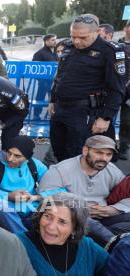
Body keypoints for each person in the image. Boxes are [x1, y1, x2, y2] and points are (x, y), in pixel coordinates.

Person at [48, 14, 125, 162]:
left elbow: (117, 89)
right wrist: (53, 99)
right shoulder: (68, 47)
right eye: (73, 36)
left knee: (79, 156)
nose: (77, 41)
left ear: (96, 32)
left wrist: (105, 117)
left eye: (83, 37)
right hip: (61, 109)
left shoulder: (110, 51)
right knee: (59, 151)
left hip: (85, 113)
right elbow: (60, 76)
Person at [39, 135, 130, 246]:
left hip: (103, 216)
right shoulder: (60, 170)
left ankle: (107, 239)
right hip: (71, 217)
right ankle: (116, 245)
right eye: (99, 153)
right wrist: (79, 208)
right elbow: (44, 199)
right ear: (86, 150)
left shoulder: (112, 170)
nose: (104, 158)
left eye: (108, 154)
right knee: (89, 223)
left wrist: (115, 209)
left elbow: (125, 193)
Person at [0, 136, 59, 233]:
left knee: (58, 206)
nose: (10, 159)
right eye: (9, 153)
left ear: (27, 157)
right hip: (5, 210)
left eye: (17, 156)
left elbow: (60, 189)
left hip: (32, 209)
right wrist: (7, 196)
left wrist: (36, 197)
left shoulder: (36, 165)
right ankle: (24, 240)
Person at [17, 193, 109, 275]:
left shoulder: (88, 247)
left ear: (74, 228)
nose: (51, 226)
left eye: (62, 222)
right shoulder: (18, 244)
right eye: (48, 216)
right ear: (40, 216)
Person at [117, 21, 130, 160]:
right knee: (104, 118)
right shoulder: (116, 46)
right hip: (113, 90)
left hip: (129, 94)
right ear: (125, 28)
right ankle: (103, 146)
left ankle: (124, 147)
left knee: (127, 121)